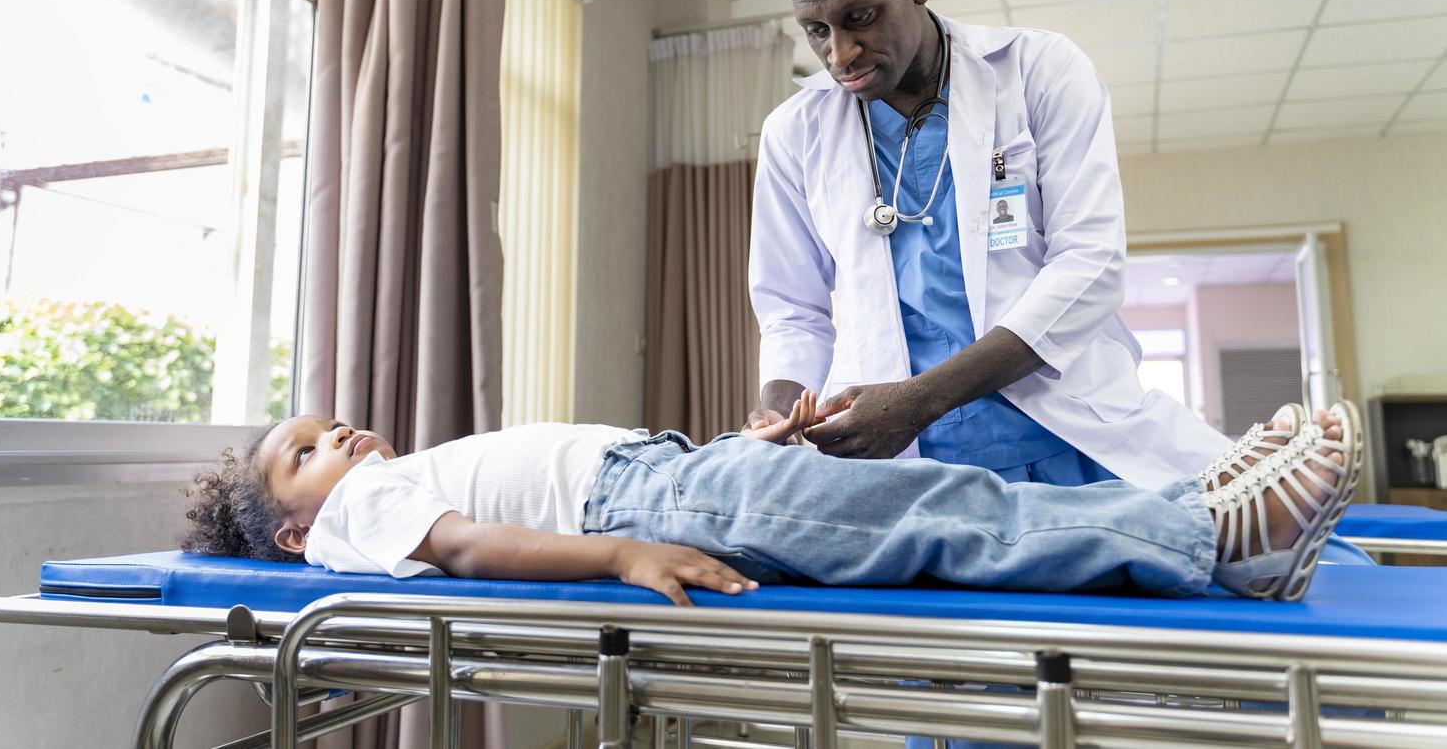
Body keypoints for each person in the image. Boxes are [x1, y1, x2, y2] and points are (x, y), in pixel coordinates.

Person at [747, 0, 1234, 491]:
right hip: (898, 459)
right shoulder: (794, 132)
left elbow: (1089, 265)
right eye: (816, 30)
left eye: (860, 18)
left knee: (1244, 551)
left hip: (1061, 435)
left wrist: (922, 399)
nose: (839, 53)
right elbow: (792, 308)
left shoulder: (1037, 70)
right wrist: (779, 412)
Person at [180, 400, 1360, 606]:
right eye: (304, 449)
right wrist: (626, 554)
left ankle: (1190, 511)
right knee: (928, 508)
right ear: (293, 525)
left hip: (671, 474)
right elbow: (476, 544)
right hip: (649, 502)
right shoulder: (357, 518)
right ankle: (1211, 536)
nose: (334, 434)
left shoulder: (381, 475)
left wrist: (728, 457)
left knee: (914, 497)